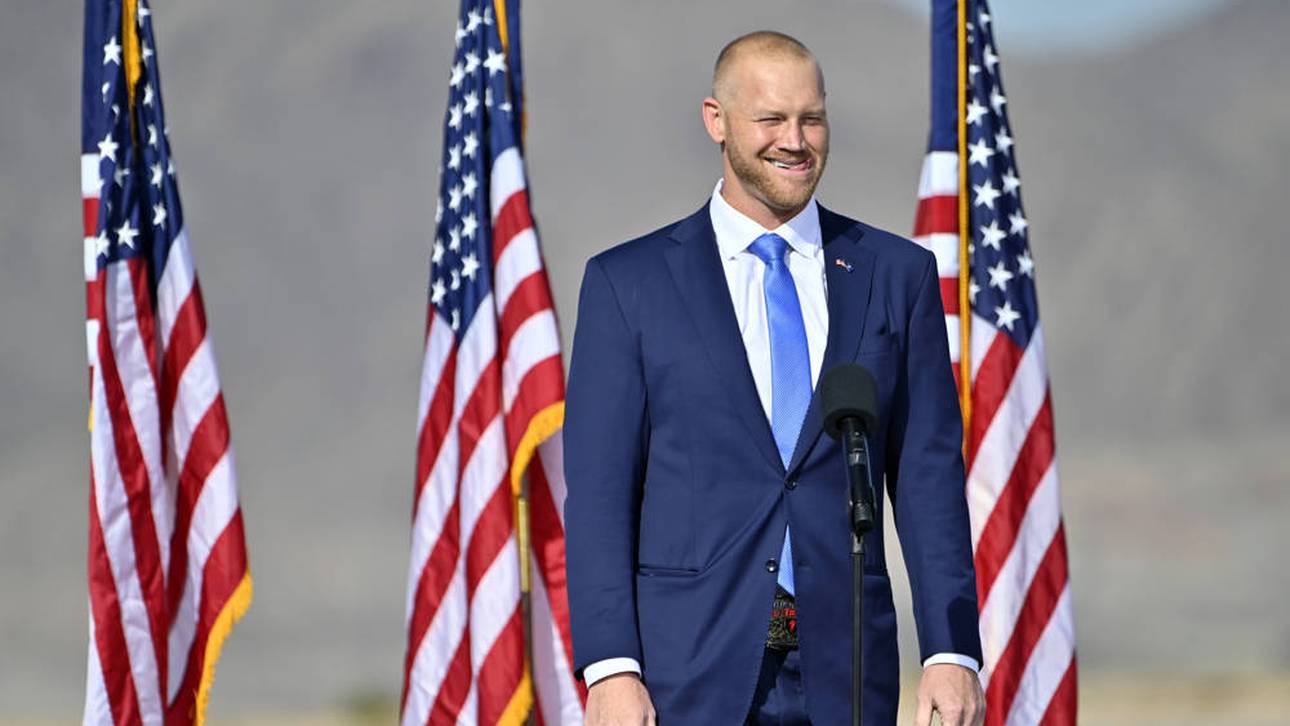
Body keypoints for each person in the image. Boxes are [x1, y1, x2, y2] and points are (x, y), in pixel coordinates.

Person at [563, 31, 985, 726]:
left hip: (847, 673)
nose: (795, 140)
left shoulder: (894, 275)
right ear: (716, 120)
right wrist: (611, 667)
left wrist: (951, 650)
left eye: (811, 118)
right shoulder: (626, 285)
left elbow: (928, 476)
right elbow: (602, 493)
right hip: (685, 677)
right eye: (771, 120)